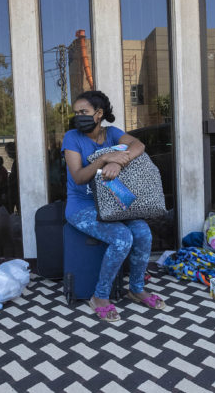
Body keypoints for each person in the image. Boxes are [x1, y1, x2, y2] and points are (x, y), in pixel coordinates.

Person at [62, 90, 165, 322]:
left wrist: (120, 162)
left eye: (84, 112)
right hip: (83, 205)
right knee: (122, 238)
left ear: (98, 114)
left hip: (115, 200)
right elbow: (78, 177)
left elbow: (138, 145)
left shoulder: (112, 134)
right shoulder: (72, 137)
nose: (78, 116)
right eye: (76, 112)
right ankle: (99, 297)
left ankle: (136, 289)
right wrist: (104, 160)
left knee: (143, 232)